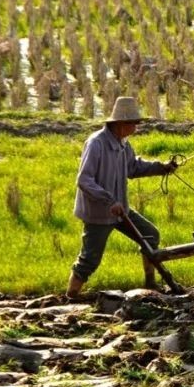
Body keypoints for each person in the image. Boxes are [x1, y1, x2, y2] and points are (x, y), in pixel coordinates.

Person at [66, 96, 178, 297]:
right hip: (99, 213)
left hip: (121, 210)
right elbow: (84, 180)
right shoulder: (96, 144)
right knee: (89, 259)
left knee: (150, 236)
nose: (135, 128)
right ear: (120, 123)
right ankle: (70, 296)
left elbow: (133, 167)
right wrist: (109, 201)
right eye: (133, 123)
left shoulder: (123, 143)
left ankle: (150, 285)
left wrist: (162, 167)